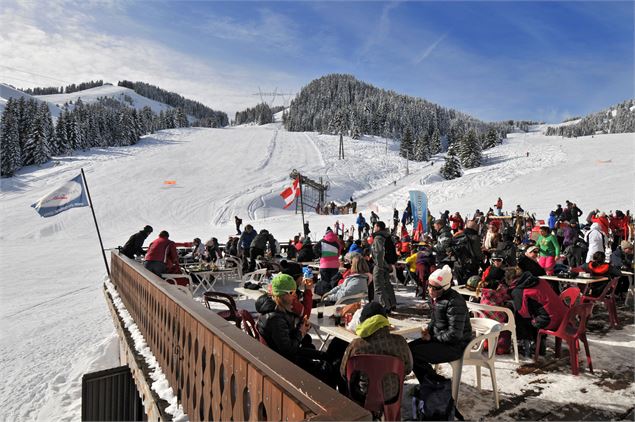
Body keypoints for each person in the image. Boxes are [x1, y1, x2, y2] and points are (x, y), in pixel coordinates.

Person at [256, 274, 335, 386]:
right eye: (292, 293)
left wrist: (301, 328)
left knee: (327, 356)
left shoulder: (279, 308)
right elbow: (288, 350)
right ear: (281, 295)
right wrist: (301, 332)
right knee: (328, 366)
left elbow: (287, 339)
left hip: (282, 358)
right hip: (283, 365)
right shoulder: (275, 318)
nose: (295, 296)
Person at [409, 265, 472, 384]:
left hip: (456, 346)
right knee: (406, 349)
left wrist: (432, 337)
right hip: (441, 339)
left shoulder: (454, 302)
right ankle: (431, 383)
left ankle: (436, 384)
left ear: (445, 287)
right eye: (429, 285)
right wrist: (428, 328)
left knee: (414, 354)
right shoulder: (438, 297)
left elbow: (454, 335)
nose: (431, 290)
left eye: (435, 288)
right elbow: (436, 319)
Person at [340, 302, 413, 405]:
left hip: (362, 395)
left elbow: (344, 372)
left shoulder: (356, 345)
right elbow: (408, 368)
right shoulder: (400, 342)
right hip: (392, 395)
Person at [511, 270, 567, 357]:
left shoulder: (520, 291)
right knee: (535, 312)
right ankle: (541, 346)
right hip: (565, 317)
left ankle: (526, 347)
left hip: (550, 321)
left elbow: (523, 313)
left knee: (521, 318)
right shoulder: (540, 280)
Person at [371, 221, 397, 311]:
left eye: (374, 226)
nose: (374, 228)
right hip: (387, 263)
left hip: (380, 264)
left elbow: (379, 252)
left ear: (378, 227)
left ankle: (385, 306)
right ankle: (392, 302)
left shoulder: (378, 237)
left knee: (378, 285)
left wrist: (379, 265)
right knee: (387, 284)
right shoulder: (387, 236)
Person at [449, 220, 484, 285]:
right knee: (471, 285)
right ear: (475, 228)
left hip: (458, 265)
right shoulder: (475, 237)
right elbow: (478, 254)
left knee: (460, 285)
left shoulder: (458, 235)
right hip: (470, 265)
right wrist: (483, 257)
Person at [313, 229, 344, 295]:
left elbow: (314, 248)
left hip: (324, 265)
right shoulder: (337, 243)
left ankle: (325, 297)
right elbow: (339, 253)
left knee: (324, 283)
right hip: (334, 265)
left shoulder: (322, 241)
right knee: (333, 283)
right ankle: (332, 298)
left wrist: (320, 255)